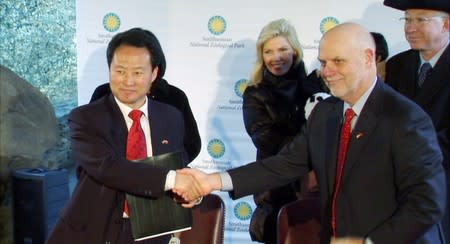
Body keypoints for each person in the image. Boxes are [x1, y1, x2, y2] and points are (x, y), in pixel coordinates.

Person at [177, 23, 447, 243]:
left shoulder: (406, 118)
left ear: (367, 58)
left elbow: (426, 205)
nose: (326, 72)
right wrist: (212, 181)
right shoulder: (326, 113)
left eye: (338, 61)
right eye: (323, 62)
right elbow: (283, 165)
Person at [46, 28, 201, 244]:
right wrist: (175, 180)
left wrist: (192, 190)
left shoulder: (171, 117)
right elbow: (109, 167)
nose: (128, 81)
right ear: (109, 69)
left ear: (154, 73)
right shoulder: (85, 118)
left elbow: (177, 165)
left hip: (153, 231)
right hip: (94, 231)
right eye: (119, 71)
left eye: (138, 72)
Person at [241, 18, 325, 244]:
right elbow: (268, 142)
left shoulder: (315, 86)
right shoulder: (255, 94)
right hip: (274, 191)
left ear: (295, 51)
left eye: (282, 49)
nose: (275, 57)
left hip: (316, 191)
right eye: (268, 51)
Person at [383, 0, 449, 240]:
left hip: (441, 184)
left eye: (421, 20)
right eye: (407, 19)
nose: (410, 28)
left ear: (446, 25)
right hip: (397, 190)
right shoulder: (395, 66)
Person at [89, 54, 201, 163]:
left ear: (154, 70)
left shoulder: (174, 97)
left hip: (163, 177)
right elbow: (88, 142)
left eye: (138, 70)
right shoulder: (103, 93)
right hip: (110, 176)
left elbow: (192, 144)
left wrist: (171, 167)